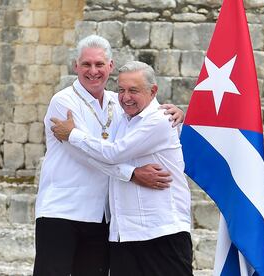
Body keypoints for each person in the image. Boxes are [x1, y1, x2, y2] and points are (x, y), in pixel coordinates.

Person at [34, 35, 184, 276]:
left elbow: (148, 121)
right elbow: (87, 155)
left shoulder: (119, 101)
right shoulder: (63, 102)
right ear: (76, 66)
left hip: (102, 215)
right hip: (62, 211)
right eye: (86, 64)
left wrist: (175, 115)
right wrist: (132, 174)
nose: (93, 71)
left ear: (110, 67)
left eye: (99, 65)